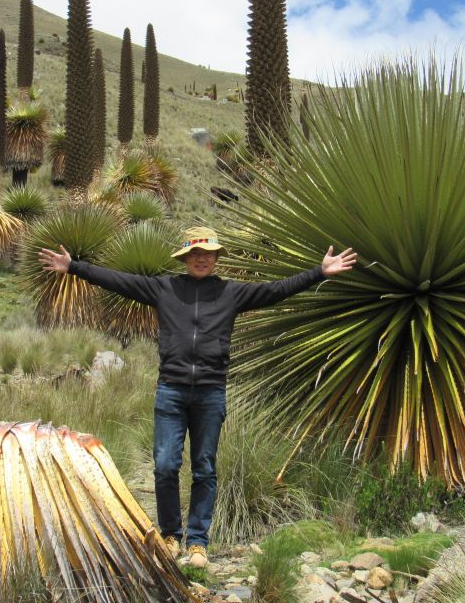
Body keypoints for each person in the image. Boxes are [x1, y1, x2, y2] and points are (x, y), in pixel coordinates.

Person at [38, 227, 357, 567]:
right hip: (171, 391)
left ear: (216, 258)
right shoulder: (164, 288)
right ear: (186, 258)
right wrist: (75, 267)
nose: (201, 259)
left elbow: (275, 291)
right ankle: (171, 535)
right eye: (195, 254)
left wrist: (318, 272)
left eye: (207, 253)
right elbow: (119, 280)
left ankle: (198, 543)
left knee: (204, 468)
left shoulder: (231, 293)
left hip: (210, 392)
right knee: (165, 465)